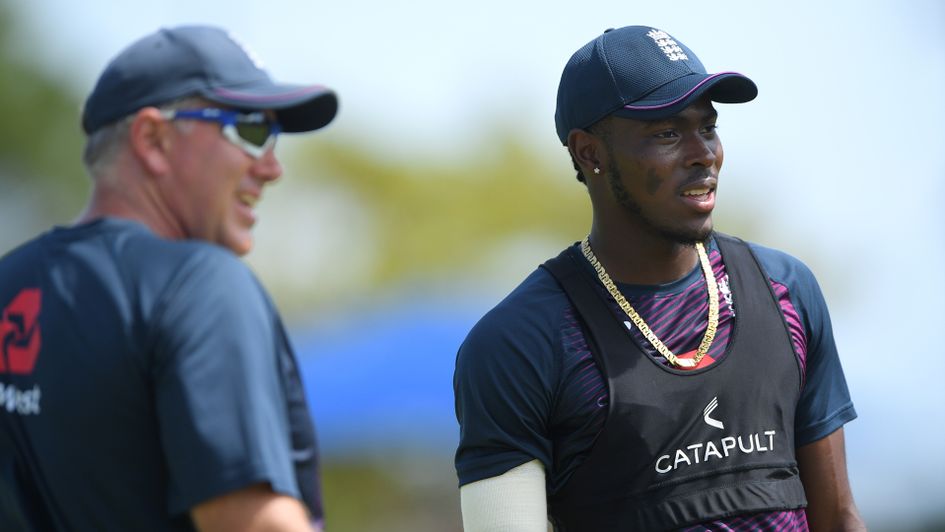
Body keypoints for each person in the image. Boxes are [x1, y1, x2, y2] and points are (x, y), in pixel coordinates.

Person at [454, 25, 865, 531]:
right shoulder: (520, 342)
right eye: (668, 133)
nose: (703, 154)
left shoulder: (786, 291)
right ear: (590, 153)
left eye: (708, 128)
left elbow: (840, 516)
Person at [0, 25, 338, 531]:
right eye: (249, 130)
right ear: (152, 138)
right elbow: (250, 523)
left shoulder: (10, 282)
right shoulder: (201, 286)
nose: (272, 167)